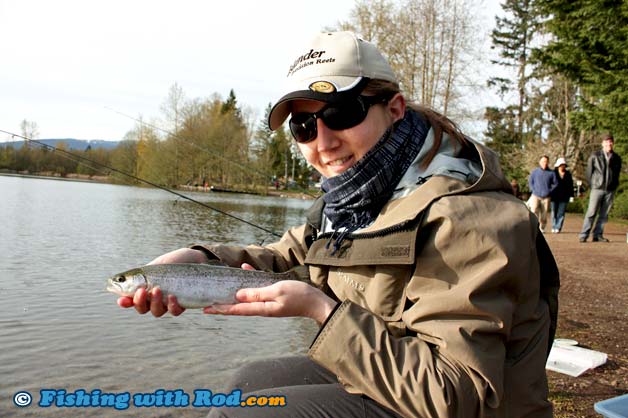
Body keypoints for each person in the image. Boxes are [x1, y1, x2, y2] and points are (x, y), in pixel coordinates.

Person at [116, 31, 559, 418]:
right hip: (393, 371)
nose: (323, 142)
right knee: (246, 386)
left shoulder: (467, 216)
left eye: (342, 113)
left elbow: (455, 396)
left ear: (396, 108)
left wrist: (320, 310)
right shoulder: (349, 200)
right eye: (304, 126)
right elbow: (283, 257)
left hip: (459, 406)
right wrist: (200, 259)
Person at [579, 134, 623, 242]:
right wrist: (592, 184)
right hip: (597, 188)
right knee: (591, 212)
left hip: (610, 190)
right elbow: (589, 172)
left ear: (613, 143)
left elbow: (616, 174)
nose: (609, 144)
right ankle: (584, 235)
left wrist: (614, 185)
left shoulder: (617, 158)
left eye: (610, 141)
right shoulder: (595, 156)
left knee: (604, 214)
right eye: (606, 142)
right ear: (602, 143)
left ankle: (597, 235)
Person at [528, 156, 558, 232]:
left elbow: (555, 184)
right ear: (540, 162)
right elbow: (530, 181)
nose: (544, 163)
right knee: (534, 210)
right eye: (543, 161)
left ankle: (542, 227)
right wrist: (533, 189)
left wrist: (550, 191)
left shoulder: (551, 173)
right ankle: (534, 226)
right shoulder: (535, 172)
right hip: (535, 195)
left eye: (546, 161)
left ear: (548, 162)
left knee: (544, 214)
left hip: (546, 197)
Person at [550, 157, 574, 233]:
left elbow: (571, 186)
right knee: (554, 212)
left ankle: (558, 227)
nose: (562, 166)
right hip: (554, 196)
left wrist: (571, 196)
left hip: (564, 197)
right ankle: (553, 226)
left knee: (561, 213)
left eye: (563, 165)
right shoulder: (553, 173)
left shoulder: (568, 174)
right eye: (561, 165)